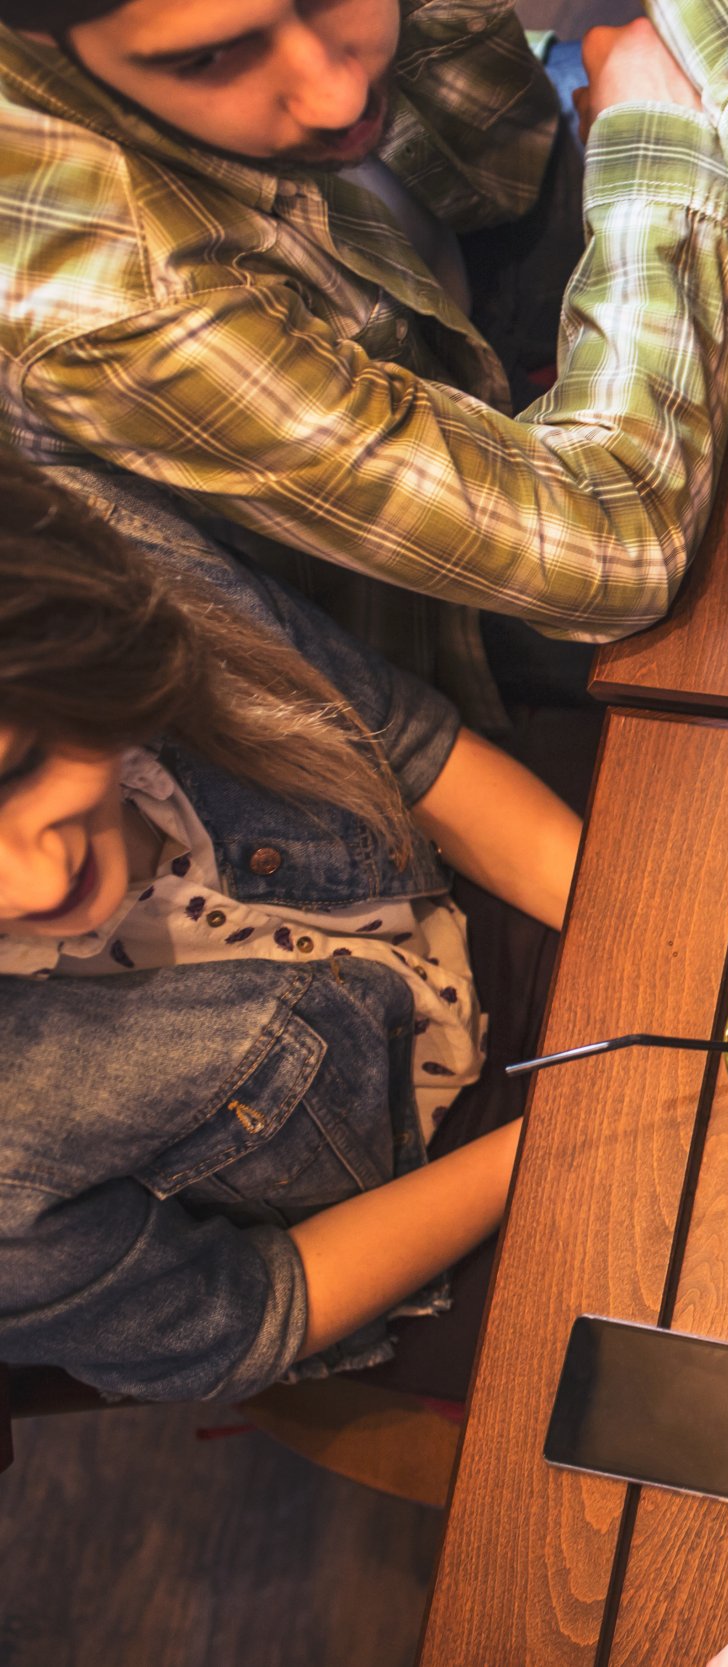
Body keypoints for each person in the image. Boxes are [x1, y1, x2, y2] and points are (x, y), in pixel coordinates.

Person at [0, 0, 728, 721]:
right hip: (471, 586)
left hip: (515, 193)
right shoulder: (99, 297)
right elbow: (611, 552)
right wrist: (655, 148)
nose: (337, 96)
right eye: (206, 58)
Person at [0, 454, 584, 1403]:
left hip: (464, 888)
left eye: (19, 767)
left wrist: (642, 937)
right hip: (408, 1216)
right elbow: (256, 1310)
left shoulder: (84, 557)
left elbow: (409, 747)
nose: (36, 875)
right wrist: (558, 1142)